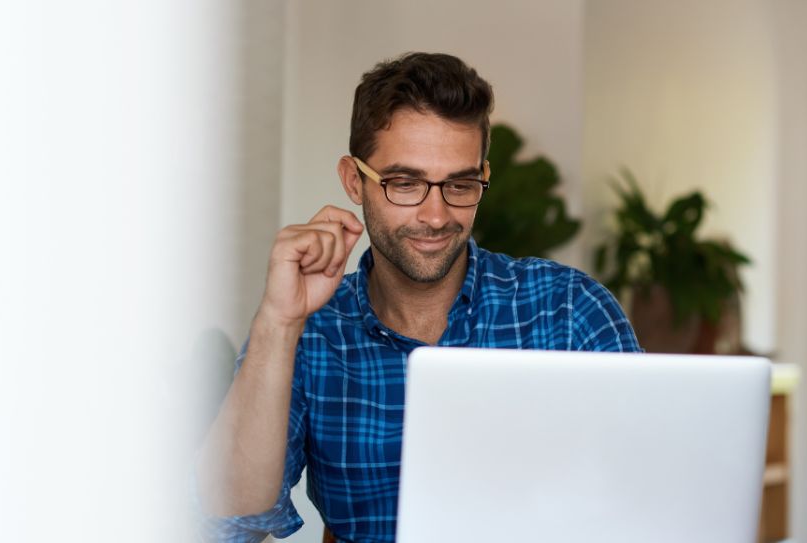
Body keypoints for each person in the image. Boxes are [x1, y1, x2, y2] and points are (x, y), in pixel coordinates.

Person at [196, 52, 641, 542]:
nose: (435, 216)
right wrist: (278, 323)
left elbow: (648, 495)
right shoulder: (311, 330)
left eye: (460, 184)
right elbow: (230, 524)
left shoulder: (570, 310)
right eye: (404, 184)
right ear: (353, 181)